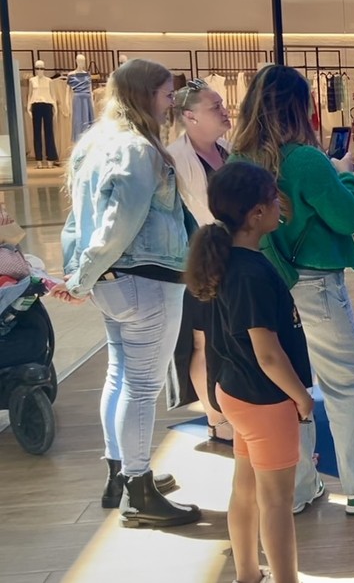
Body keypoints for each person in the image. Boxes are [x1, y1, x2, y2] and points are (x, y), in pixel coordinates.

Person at [230, 64, 354, 515]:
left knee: (290, 387)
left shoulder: (237, 161)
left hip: (265, 286)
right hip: (314, 284)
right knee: (345, 384)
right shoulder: (306, 160)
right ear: (298, 107)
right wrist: (346, 174)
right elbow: (347, 217)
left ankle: (297, 488)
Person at [54, 58, 202, 528]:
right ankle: (138, 491)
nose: (170, 103)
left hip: (114, 283)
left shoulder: (94, 143)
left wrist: (81, 274)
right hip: (145, 280)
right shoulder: (139, 149)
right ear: (144, 95)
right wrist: (81, 277)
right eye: (166, 94)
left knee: (121, 376)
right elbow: (120, 223)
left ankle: (121, 477)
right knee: (140, 386)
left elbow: (77, 222)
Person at [185, 161, 312, 583]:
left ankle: (247, 574)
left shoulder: (226, 262)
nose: (280, 205)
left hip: (237, 393)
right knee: (276, 501)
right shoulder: (250, 273)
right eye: (274, 199)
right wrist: (301, 397)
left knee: (245, 489)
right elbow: (268, 354)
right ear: (256, 213)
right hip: (264, 399)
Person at [166, 79, 235, 444]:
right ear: (190, 116)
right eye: (215, 107)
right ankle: (215, 418)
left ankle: (231, 411)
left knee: (227, 338)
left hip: (231, 257)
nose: (225, 110)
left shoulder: (226, 150)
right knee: (202, 340)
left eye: (222, 104)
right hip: (199, 262)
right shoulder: (174, 159)